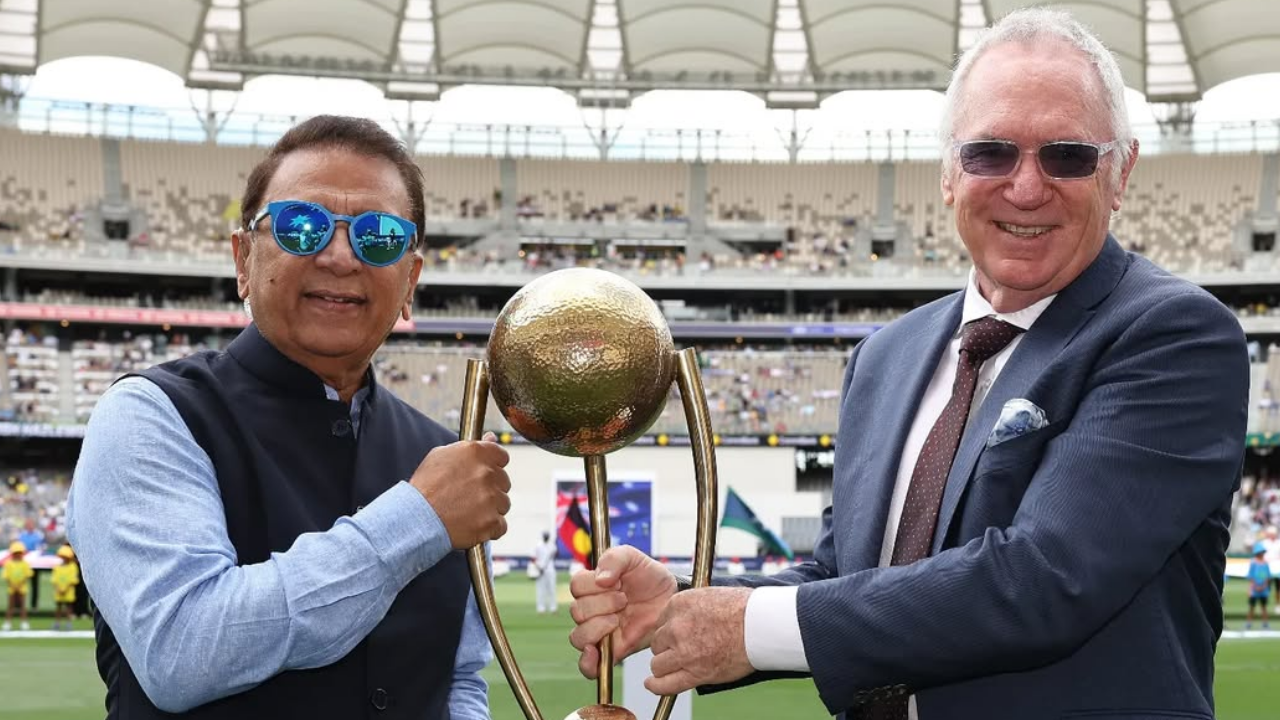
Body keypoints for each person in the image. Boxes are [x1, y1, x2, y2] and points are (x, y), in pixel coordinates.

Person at [568, 9, 1248, 720]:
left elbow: (1045, 579)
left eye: (1067, 154)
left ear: (1120, 171)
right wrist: (681, 605)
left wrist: (747, 628)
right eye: (991, 153)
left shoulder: (1173, 334)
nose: (1025, 187)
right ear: (949, 173)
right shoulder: (886, 358)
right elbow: (847, 576)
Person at [68, 115, 513, 719]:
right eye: (301, 227)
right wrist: (417, 518)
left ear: (410, 280)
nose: (338, 256)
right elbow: (181, 651)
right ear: (243, 259)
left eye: (378, 236)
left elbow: (457, 678)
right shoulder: (154, 415)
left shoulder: (438, 450)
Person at [2, 541, 33, 631]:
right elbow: (6, 576)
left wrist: (19, 585)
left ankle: (24, 622)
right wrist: (13, 585)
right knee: (10, 606)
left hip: (22, 588)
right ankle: (8, 623)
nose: (18, 555)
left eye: (19, 553)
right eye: (16, 553)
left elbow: (27, 576)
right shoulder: (8, 564)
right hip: (11, 588)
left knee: (22, 606)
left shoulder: (25, 564)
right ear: (12, 553)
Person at [51, 544, 79, 631]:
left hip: (69, 591)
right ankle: (57, 623)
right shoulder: (57, 567)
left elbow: (73, 579)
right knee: (58, 607)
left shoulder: (73, 567)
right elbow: (54, 579)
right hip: (59, 591)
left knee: (69, 607)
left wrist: (66, 588)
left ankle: (68, 623)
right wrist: (59, 588)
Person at [1247, 541, 1272, 630]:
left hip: (1264, 589)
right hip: (1254, 589)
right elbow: (1251, 576)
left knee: (1264, 607)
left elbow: (1268, 576)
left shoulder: (1265, 563)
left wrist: (1264, 586)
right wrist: (1253, 587)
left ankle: (1265, 623)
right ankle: (1249, 623)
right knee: (1251, 607)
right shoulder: (1253, 563)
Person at [533, 531, 559, 614]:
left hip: (550, 570)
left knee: (552, 589)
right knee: (540, 590)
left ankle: (553, 608)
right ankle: (541, 608)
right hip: (540, 570)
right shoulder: (538, 546)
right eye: (545, 536)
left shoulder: (552, 546)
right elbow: (534, 558)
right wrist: (538, 567)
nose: (546, 537)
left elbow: (555, 555)